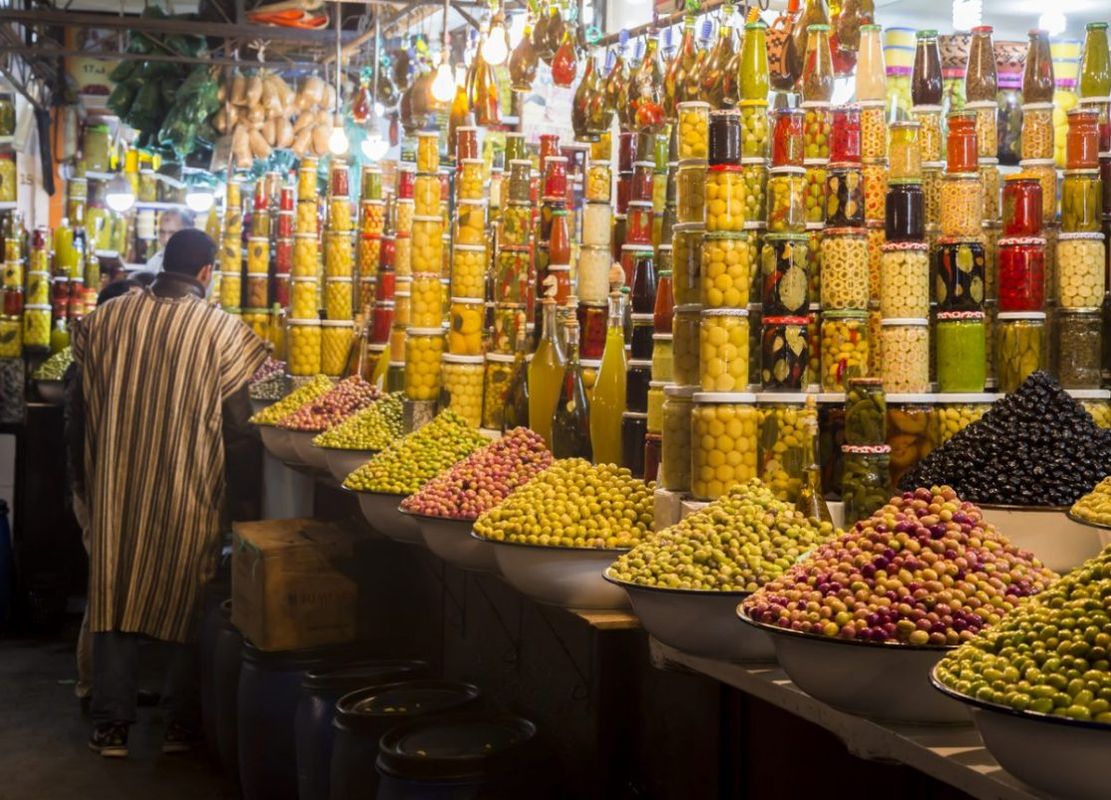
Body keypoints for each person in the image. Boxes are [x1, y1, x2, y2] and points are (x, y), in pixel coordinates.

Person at [66, 229, 267, 758]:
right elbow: (240, 428)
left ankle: (111, 724)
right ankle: (181, 724)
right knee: (186, 593)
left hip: (116, 483)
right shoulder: (220, 331)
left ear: (164, 267)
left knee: (113, 591)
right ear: (206, 273)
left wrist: (82, 476)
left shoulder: (107, 319)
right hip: (188, 486)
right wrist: (247, 502)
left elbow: (77, 404)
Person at [67, 276, 144, 703]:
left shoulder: (108, 362)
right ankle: (92, 686)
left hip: (107, 488)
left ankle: (112, 686)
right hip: (95, 490)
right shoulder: (87, 366)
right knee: (105, 589)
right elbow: (81, 441)